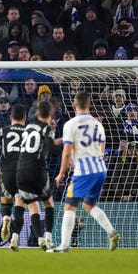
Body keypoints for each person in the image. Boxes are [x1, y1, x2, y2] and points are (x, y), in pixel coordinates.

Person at [50, 91, 119, 253]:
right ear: (89, 105)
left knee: (70, 206)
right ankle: (111, 232)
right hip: (100, 169)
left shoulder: (70, 124)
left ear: (74, 104)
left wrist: (61, 173)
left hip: (84, 171)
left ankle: (64, 245)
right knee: (89, 205)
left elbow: (66, 152)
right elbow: (102, 148)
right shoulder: (97, 124)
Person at [13, 100, 60, 251]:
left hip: (21, 169)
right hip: (37, 170)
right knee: (48, 203)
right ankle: (48, 238)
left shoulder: (29, 126)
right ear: (51, 114)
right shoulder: (48, 129)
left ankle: (21, 238)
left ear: (37, 112)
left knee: (27, 204)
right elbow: (52, 148)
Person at [0, 103, 27, 244]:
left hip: (7, 171)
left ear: (11, 116)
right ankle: (13, 237)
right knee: (21, 207)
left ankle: (6, 218)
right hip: (25, 171)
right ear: (25, 117)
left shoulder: (2, 131)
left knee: (6, 204)